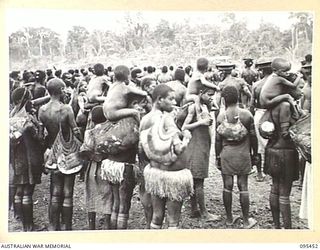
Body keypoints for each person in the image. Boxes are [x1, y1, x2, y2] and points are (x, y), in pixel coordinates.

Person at [140, 84, 193, 229]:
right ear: (159, 99)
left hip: (155, 174)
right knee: (173, 220)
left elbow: (141, 148)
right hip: (173, 176)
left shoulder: (145, 119)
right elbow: (178, 149)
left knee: (157, 217)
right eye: (171, 99)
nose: (174, 103)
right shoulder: (166, 119)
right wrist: (186, 137)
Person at [39, 78, 82, 231]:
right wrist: (83, 146)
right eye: (64, 89)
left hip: (52, 152)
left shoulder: (42, 110)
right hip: (68, 152)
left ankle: (53, 225)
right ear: (62, 90)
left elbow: (40, 136)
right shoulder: (66, 109)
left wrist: (46, 151)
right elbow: (75, 131)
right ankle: (67, 227)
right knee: (68, 191)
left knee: (55, 191)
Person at [263, 74, 305, 229]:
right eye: (298, 87)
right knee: (285, 191)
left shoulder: (272, 106)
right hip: (285, 153)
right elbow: (285, 133)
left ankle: (277, 226)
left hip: (272, 150)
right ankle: (288, 229)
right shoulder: (286, 106)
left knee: (275, 188)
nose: (300, 91)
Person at [215, 85, 258, 229]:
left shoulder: (221, 116)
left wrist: (217, 157)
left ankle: (229, 219)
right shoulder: (246, 115)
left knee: (227, 186)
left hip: (226, 154)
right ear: (239, 97)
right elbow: (253, 137)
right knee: (243, 186)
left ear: (224, 99)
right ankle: (246, 221)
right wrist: (255, 154)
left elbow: (217, 140)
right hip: (243, 154)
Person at [181, 83, 221, 222]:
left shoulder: (204, 106)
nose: (212, 97)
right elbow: (184, 127)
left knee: (195, 179)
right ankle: (204, 213)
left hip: (202, 146)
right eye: (209, 95)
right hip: (196, 147)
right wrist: (201, 123)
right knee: (198, 181)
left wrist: (209, 101)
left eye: (213, 95)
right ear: (201, 93)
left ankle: (194, 209)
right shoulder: (193, 107)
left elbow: (215, 107)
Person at [10, 87, 45, 231]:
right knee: (27, 193)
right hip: (30, 158)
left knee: (19, 190)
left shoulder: (11, 117)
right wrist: (41, 127)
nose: (32, 102)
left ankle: (20, 219)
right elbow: (40, 139)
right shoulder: (28, 120)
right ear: (24, 101)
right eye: (29, 99)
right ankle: (29, 226)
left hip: (16, 158)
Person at [249, 58, 273, 181]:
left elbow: (252, 105)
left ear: (261, 71)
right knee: (273, 143)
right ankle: (271, 171)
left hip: (259, 114)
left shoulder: (257, 85)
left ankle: (259, 173)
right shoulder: (277, 83)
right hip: (273, 114)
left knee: (258, 145)